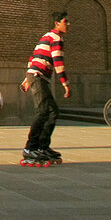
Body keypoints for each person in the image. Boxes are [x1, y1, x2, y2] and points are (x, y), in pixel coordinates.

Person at [21, 12, 70, 164]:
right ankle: (30, 147)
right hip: (38, 76)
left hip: (36, 76)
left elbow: (34, 56)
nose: (68, 24)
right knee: (43, 111)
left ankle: (42, 147)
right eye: (65, 21)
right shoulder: (56, 38)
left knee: (52, 111)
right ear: (57, 23)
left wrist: (27, 78)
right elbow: (58, 62)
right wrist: (65, 84)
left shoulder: (45, 37)